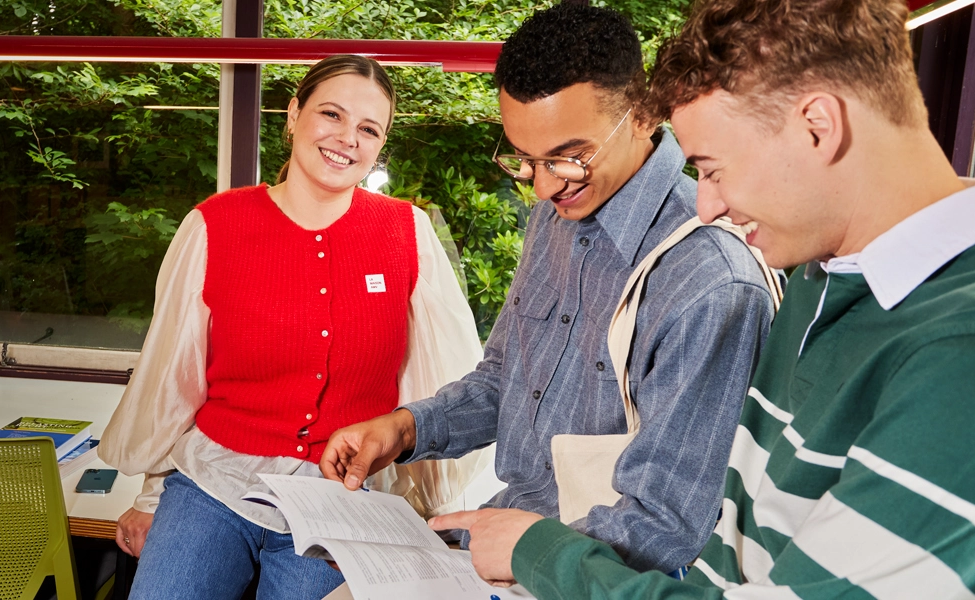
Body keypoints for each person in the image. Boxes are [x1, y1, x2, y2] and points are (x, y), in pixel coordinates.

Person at [430, 0, 975, 597]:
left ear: (817, 126)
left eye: (710, 167)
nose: (704, 208)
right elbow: (729, 566)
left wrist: (540, 554)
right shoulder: (823, 285)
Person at [320, 1, 778, 576]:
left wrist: (522, 550)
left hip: (589, 574)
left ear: (642, 115)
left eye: (568, 157)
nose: (541, 187)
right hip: (500, 538)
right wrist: (408, 428)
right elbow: (505, 378)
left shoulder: (711, 282)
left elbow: (665, 526)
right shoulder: (557, 213)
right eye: (525, 160)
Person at [95, 54, 486, 600]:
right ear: (294, 113)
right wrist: (150, 498)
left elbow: (440, 379)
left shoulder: (407, 232)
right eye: (331, 114)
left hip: (341, 494)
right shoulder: (215, 224)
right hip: (216, 481)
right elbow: (173, 377)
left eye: (368, 129)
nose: (347, 138)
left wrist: (434, 506)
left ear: (379, 145)